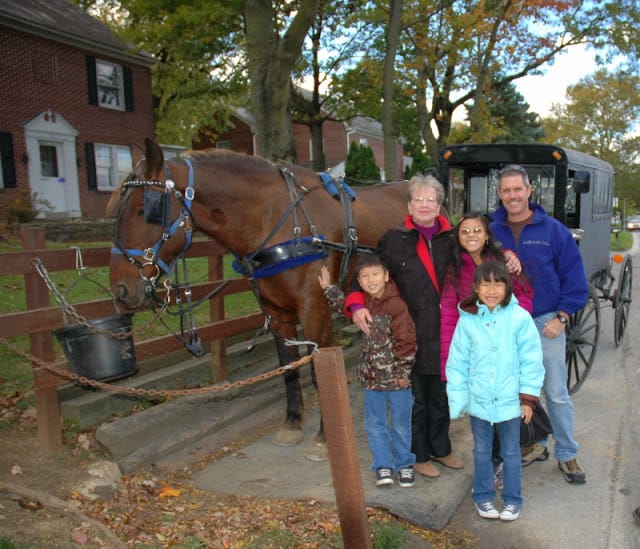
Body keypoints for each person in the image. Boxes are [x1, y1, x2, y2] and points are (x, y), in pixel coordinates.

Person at [345, 173, 464, 478]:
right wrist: (357, 305)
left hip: (446, 329)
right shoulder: (393, 239)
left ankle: (441, 447)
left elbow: (481, 256)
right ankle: (418, 453)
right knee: (416, 399)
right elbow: (365, 274)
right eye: (418, 199)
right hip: (407, 330)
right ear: (409, 205)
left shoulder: (453, 239)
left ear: (440, 206)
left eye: (431, 200)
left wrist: (507, 254)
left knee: (441, 394)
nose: (424, 205)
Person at [490, 164, 589, 484]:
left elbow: (575, 280)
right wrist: (500, 250)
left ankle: (567, 452)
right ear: (500, 194)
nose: (512, 195)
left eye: (517, 189)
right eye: (506, 190)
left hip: (545, 320)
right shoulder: (491, 229)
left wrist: (562, 317)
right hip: (506, 320)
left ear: (529, 190)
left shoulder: (553, 231)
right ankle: (534, 443)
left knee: (555, 391)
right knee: (516, 391)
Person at [446, 261, 545, 521]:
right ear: (476, 288)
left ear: (507, 287)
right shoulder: (467, 321)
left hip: (511, 401)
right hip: (479, 401)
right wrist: (459, 400)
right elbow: (457, 363)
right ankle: (483, 496)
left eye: (498, 283)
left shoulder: (519, 318)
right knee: (481, 451)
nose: (491, 290)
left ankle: (513, 500)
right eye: (485, 284)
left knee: (511, 452)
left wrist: (528, 399)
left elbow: (531, 361)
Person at [318, 255, 417, 488]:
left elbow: (407, 340)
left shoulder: (397, 305)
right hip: (372, 379)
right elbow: (343, 305)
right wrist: (328, 288)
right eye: (365, 276)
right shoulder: (360, 303)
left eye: (375, 274)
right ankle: (383, 465)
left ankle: (404, 464)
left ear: (386, 276)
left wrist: (404, 371)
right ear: (359, 282)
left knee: (401, 424)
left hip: (397, 380)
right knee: (376, 424)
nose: (371, 280)